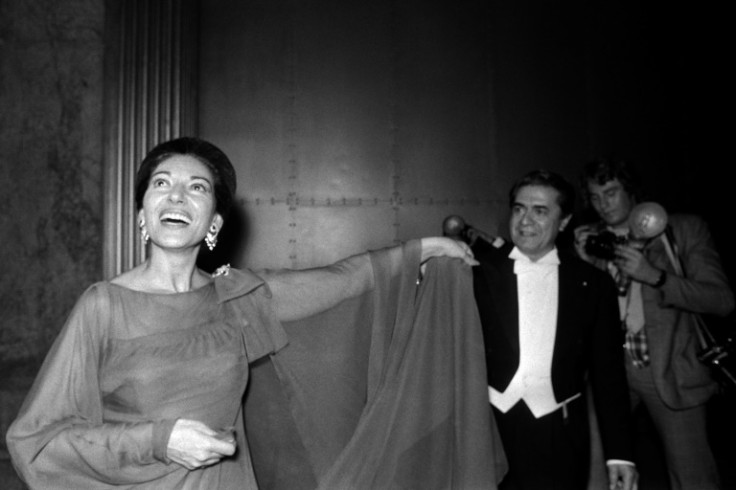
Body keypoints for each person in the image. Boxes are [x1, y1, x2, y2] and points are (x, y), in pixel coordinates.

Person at [5, 137, 499, 489]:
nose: (177, 195)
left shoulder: (238, 296)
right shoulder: (103, 305)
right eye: (162, 183)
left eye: (197, 187)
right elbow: (39, 443)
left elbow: (338, 280)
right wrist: (158, 439)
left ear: (214, 223)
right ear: (142, 214)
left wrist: (426, 248)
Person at [573, 158, 735, 490]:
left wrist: (655, 276)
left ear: (631, 190)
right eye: (595, 196)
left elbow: (721, 300)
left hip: (670, 368)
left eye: (611, 192)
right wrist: (584, 267)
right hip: (609, 369)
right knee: (596, 470)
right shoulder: (592, 240)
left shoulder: (682, 229)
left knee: (692, 476)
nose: (603, 204)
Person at [471, 169, 638, 490]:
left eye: (540, 211)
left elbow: (609, 375)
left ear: (564, 222)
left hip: (558, 432)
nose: (525, 220)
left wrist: (620, 454)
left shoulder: (593, 284)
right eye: (519, 208)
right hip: (487, 428)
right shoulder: (477, 273)